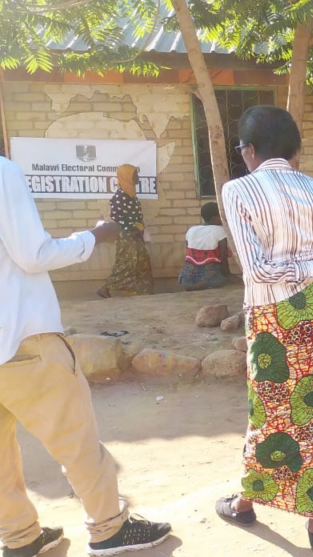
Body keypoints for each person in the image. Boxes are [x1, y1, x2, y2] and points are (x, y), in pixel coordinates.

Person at [0, 156, 172, 557]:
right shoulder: (3, 172)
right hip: (21, 338)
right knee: (74, 437)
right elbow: (33, 254)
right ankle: (109, 528)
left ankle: (19, 536)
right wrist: (94, 237)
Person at [215, 106, 313, 552]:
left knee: (269, 414)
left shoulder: (237, 190)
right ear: (294, 148)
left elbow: (257, 271)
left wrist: (312, 268)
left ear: (249, 150)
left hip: (272, 318)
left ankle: (246, 503)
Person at [97, 164, 153, 298]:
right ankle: (106, 288)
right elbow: (116, 216)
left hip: (136, 235)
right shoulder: (120, 196)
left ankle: (142, 291)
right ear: (127, 177)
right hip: (126, 236)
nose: (137, 177)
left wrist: (140, 227)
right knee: (126, 264)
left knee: (142, 262)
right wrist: (133, 226)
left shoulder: (131, 194)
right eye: (135, 175)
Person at [178, 202, 233, 291]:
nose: (223, 219)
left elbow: (189, 255)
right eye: (221, 216)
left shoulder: (191, 230)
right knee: (223, 280)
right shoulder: (220, 230)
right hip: (211, 279)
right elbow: (223, 259)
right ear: (213, 217)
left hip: (188, 280)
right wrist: (228, 276)